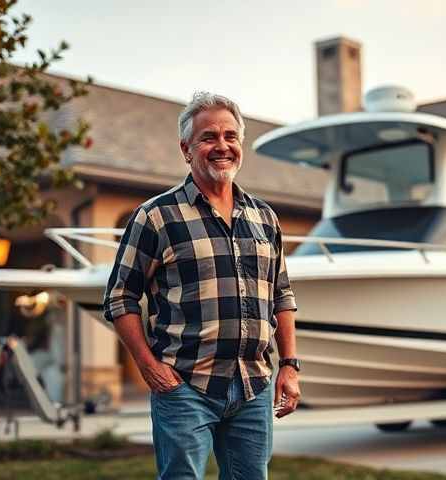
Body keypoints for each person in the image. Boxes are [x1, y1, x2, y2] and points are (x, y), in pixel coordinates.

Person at [103, 92, 300, 479]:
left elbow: (281, 294)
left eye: (231, 136)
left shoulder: (264, 217)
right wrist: (148, 366)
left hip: (253, 386)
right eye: (209, 137)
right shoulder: (156, 217)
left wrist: (290, 366)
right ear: (186, 149)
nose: (221, 146)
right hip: (185, 385)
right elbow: (119, 297)